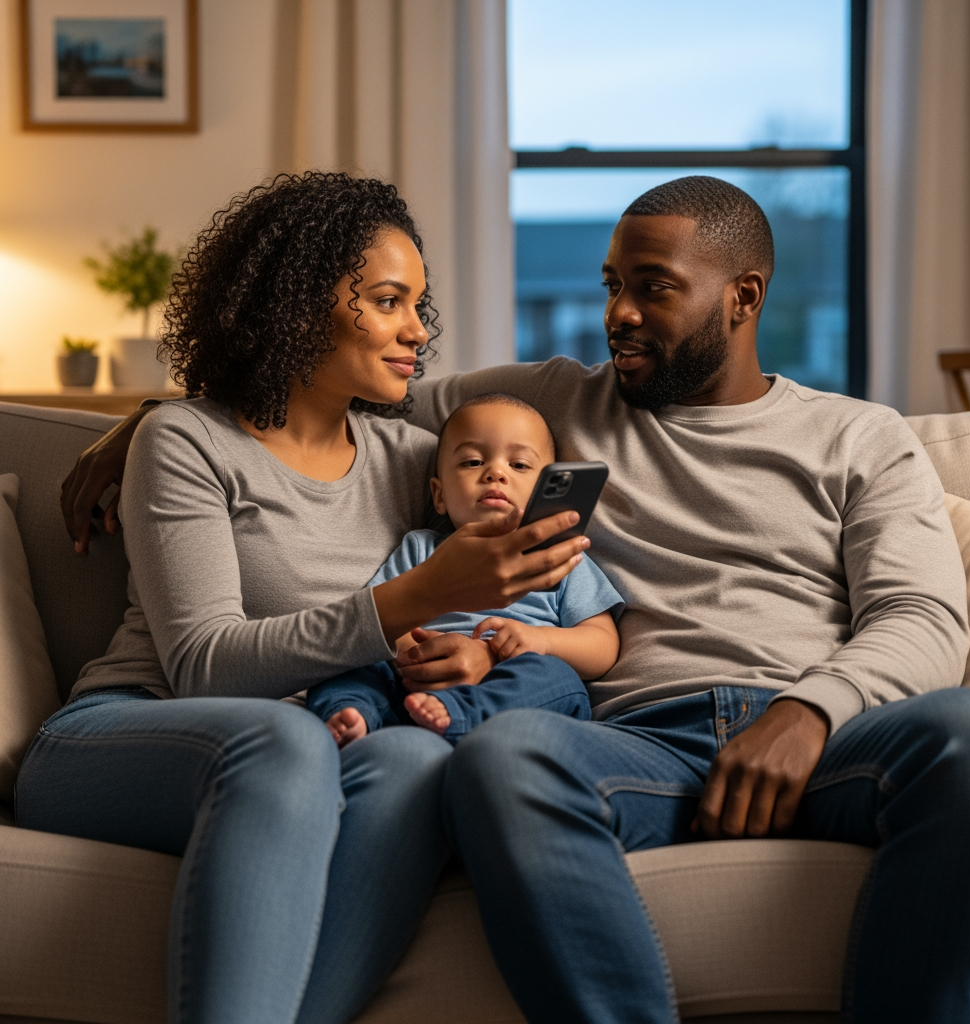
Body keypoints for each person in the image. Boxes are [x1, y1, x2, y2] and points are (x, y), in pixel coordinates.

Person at [56, 175, 970, 1024]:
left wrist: (811, 707)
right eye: (611, 286)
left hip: (823, 735)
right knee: (499, 755)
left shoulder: (863, 437)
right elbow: (312, 397)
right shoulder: (554, 404)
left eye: (652, 289)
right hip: (635, 741)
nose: (618, 315)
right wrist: (145, 420)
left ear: (743, 297)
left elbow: (925, 621)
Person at [17, 172, 589, 1024]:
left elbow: (554, 395)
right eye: (389, 301)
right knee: (285, 742)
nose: (416, 332)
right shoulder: (186, 441)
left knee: (419, 759)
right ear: (294, 302)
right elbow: (203, 666)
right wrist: (419, 593)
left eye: (419, 307)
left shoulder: (419, 455)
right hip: (128, 733)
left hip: (326, 738)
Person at [306, 392, 623, 746]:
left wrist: (541, 641)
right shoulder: (421, 547)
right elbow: (380, 615)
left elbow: (603, 645)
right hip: (418, 681)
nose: (495, 473)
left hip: (509, 683)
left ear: (545, 489)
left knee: (556, 678)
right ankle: (351, 712)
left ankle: (460, 713)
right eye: (472, 462)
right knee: (350, 661)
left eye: (519, 465)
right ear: (439, 496)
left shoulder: (559, 556)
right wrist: (419, 656)